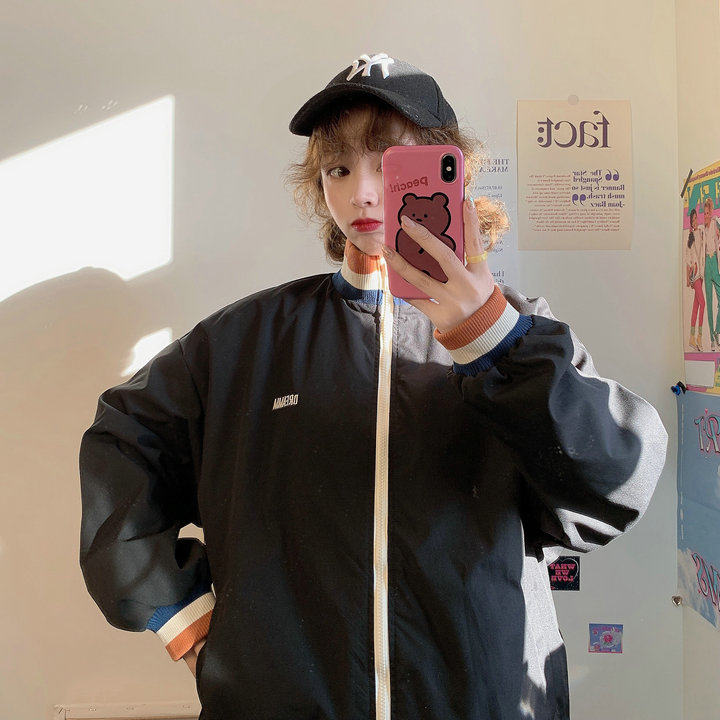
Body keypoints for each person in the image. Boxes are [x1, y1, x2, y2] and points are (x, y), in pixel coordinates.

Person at [79, 52, 668, 720]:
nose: (361, 192)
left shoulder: (520, 336)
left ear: (450, 170)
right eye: (338, 168)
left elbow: (618, 479)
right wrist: (179, 615)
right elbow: (120, 445)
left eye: (390, 165)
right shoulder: (242, 341)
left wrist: (490, 337)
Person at [685, 206, 705, 351]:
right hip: (695, 273)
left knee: (696, 305)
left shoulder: (701, 232)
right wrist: (688, 278)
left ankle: (691, 338)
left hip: (702, 273)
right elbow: (688, 260)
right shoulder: (690, 239)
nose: (695, 222)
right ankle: (699, 336)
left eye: (695, 219)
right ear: (690, 223)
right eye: (692, 220)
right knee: (702, 304)